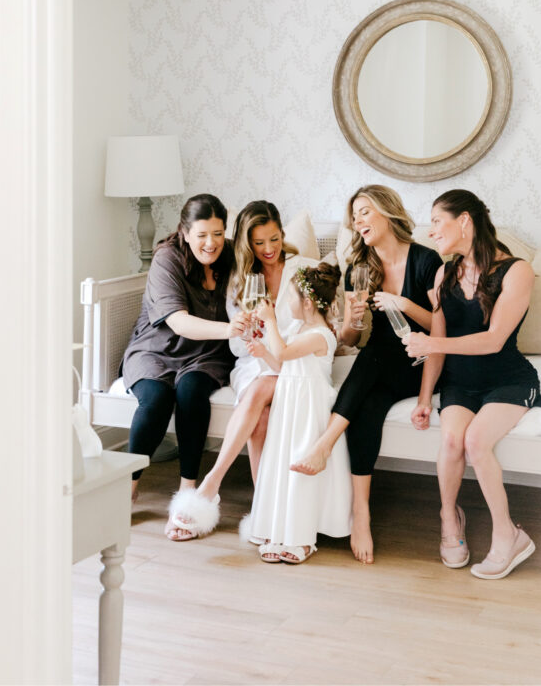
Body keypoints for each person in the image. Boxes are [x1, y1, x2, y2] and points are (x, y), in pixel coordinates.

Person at [291, 185, 442, 564]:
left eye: (364, 212)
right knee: (368, 408)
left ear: (388, 213)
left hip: (423, 359)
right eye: (353, 215)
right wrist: (353, 323)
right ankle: (362, 514)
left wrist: (403, 303)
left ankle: (325, 443)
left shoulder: (426, 260)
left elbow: (444, 329)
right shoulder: (359, 267)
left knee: (374, 360)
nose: (357, 221)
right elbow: (351, 341)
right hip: (380, 361)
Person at [406, 189, 541, 579]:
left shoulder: (516, 270)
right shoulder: (444, 273)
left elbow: (494, 339)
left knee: (475, 441)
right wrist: (422, 398)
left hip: (507, 380)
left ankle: (509, 534)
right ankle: (450, 518)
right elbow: (437, 346)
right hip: (460, 383)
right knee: (450, 441)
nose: (430, 231)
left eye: (436, 221)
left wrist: (432, 341)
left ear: (464, 220)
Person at [168, 200, 311, 539]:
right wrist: (245, 329)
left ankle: (211, 483)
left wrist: (273, 330)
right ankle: (265, 509)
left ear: (281, 233)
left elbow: (313, 329)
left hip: (295, 359)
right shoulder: (240, 278)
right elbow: (236, 349)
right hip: (253, 362)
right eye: (259, 243)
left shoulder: (303, 270)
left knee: (265, 384)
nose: (268, 249)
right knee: (259, 415)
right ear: (247, 243)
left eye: (274, 239)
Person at [121, 194, 248, 541]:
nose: (211, 243)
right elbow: (177, 322)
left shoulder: (232, 254)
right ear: (185, 232)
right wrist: (229, 330)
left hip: (206, 352)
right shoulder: (167, 258)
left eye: (219, 234)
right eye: (203, 234)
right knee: (157, 398)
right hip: (158, 348)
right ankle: (130, 486)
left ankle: (187, 493)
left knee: (192, 392)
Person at [247, 262, 352, 563]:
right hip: (289, 406)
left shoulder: (321, 334)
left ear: (307, 302)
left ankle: (302, 538)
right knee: (282, 464)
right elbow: (283, 364)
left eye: (290, 297)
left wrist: (270, 322)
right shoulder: (299, 328)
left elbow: (284, 352)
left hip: (309, 412)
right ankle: (277, 527)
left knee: (301, 472)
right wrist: (263, 353)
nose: (284, 303)